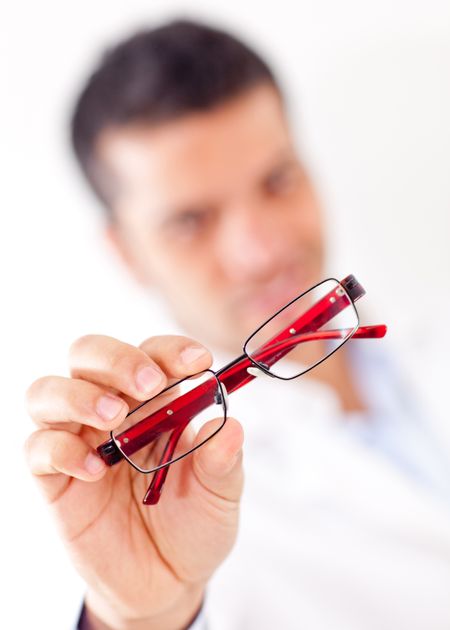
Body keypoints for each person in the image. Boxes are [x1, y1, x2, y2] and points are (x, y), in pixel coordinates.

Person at [24, 19, 450, 630]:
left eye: (278, 181)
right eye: (192, 221)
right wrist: (142, 616)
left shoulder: (434, 337)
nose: (262, 250)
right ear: (126, 252)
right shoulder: (145, 495)